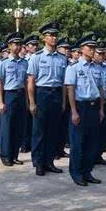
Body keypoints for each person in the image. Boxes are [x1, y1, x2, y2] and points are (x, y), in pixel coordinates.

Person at [27, 22, 68, 177]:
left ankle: (49, 161)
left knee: (53, 131)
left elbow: (64, 83)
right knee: (39, 131)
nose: (53, 38)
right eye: (50, 35)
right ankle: (38, 163)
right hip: (42, 94)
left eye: (55, 35)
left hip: (56, 94)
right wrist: (32, 102)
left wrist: (64, 101)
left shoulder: (62, 58)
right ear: (44, 38)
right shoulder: (36, 57)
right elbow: (31, 82)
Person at [64, 34, 104, 186]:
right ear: (82, 49)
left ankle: (87, 172)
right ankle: (77, 173)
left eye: (94, 47)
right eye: (90, 47)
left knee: (92, 142)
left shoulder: (97, 67)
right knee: (78, 142)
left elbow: (100, 90)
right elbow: (70, 90)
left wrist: (101, 109)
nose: (93, 50)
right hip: (80, 107)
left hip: (94, 107)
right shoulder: (73, 67)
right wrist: (73, 111)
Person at [0, 31, 28, 167]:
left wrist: (27, 100)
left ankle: (14, 155)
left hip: (21, 95)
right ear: (9, 45)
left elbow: (26, 83)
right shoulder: (3, 63)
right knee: (7, 127)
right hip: (8, 95)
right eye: (15, 44)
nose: (18, 46)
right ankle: (5, 155)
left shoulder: (24, 63)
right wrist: (0, 102)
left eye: (20, 44)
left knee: (18, 127)